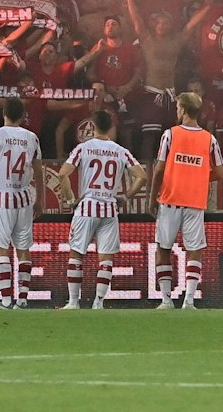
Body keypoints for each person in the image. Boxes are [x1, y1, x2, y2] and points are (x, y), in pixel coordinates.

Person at [55, 109, 144, 310]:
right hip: (109, 208)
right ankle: (99, 302)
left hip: (87, 207)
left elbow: (62, 174)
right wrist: (126, 196)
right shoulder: (120, 151)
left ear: (92, 127)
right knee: (106, 258)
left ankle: (73, 302)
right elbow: (142, 176)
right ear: (111, 127)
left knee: (77, 254)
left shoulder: (83, 148)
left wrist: (70, 200)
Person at [151, 91, 221, 309]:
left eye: (178, 108)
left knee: (163, 248)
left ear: (182, 110)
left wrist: (152, 197)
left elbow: (159, 168)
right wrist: (199, 178)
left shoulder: (170, 135)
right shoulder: (209, 138)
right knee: (194, 249)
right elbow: (220, 172)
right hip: (195, 201)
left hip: (170, 199)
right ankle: (189, 300)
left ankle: (166, 299)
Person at [0, 98, 44, 310]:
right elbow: (38, 170)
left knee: (0, 247)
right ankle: (23, 299)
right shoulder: (32, 138)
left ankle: (6, 300)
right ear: (22, 115)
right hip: (24, 199)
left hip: (1, 198)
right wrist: (41, 199)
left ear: (4, 113)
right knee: (23, 248)